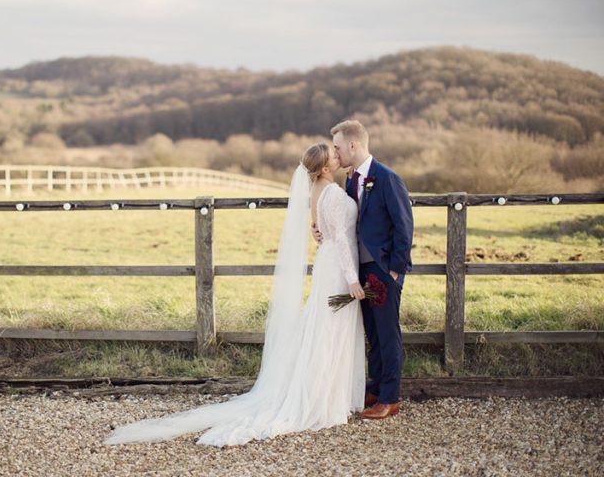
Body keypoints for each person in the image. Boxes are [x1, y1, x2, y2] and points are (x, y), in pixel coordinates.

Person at [104, 143, 366, 446]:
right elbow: (341, 239)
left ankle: (328, 394)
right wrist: (352, 279)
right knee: (330, 330)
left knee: (326, 329)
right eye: (333, 154)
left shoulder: (320, 189)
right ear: (325, 168)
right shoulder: (330, 192)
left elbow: (325, 229)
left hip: (328, 263)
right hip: (337, 268)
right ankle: (325, 400)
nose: (337, 154)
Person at [315, 120, 414, 420]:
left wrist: (394, 271)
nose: (335, 153)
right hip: (358, 270)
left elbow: (404, 225)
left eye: (337, 147)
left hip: (383, 269)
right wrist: (322, 231)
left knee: (387, 333)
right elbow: (347, 224)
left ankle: (390, 399)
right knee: (372, 332)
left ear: (353, 145)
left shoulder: (387, 178)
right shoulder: (351, 180)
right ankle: (376, 387)